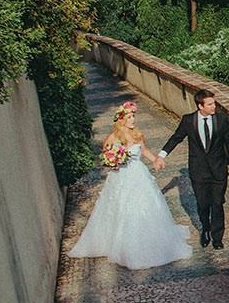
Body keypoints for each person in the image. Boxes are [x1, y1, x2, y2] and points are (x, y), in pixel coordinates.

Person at [69, 101, 193, 269]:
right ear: (122, 120)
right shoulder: (114, 137)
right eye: (129, 117)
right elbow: (105, 156)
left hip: (138, 174)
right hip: (120, 176)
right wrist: (113, 162)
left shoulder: (137, 134)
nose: (133, 119)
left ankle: (147, 238)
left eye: (133, 116)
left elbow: (144, 151)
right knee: (121, 207)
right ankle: (122, 243)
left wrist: (156, 160)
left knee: (143, 204)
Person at [154, 89, 229, 250]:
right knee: (202, 204)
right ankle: (205, 230)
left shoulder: (221, 120)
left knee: (217, 203)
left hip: (218, 170)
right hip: (198, 171)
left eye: (214, 103)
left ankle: (217, 237)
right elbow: (176, 138)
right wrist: (161, 155)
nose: (214, 106)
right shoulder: (188, 121)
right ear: (200, 106)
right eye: (210, 104)